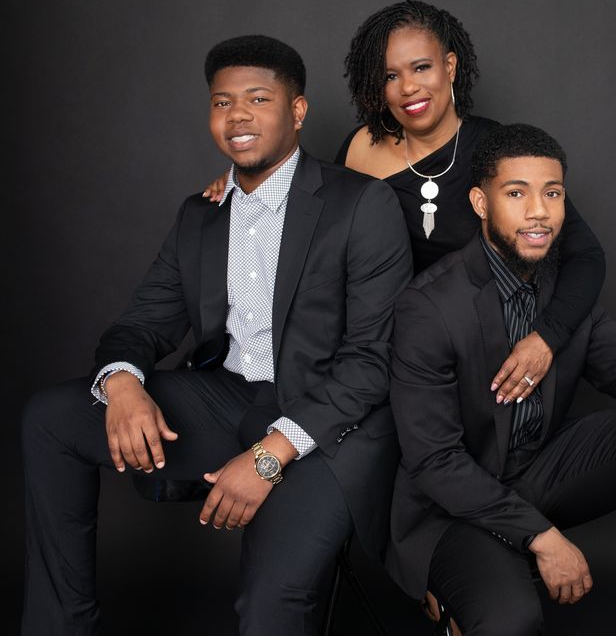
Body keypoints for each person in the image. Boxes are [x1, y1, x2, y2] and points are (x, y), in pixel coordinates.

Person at [21, 34, 412, 636]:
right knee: (51, 417)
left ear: (298, 111)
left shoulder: (361, 204)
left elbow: (370, 362)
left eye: (258, 99)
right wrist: (122, 383)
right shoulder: (201, 214)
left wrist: (268, 456)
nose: (238, 116)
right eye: (223, 102)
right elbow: (142, 322)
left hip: (327, 429)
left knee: (268, 612)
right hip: (227, 398)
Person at [386, 122, 616, 636]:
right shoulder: (429, 307)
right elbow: (434, 461)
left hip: (538, 473)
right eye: (516, 193)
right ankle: (452, 596)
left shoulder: (563, 294)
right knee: (511, 622)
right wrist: (543, 537)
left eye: (552, 193)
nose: (539, 211)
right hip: (452, 510)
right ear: (479, 202)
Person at [203, 0, 606, 409]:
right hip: (382, 355)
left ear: (450, 67)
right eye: (390, 76)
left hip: (481, 350)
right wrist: (244, 180)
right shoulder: (361, 147)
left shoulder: (497, 152)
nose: (407, 88)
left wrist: (546, 338)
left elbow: (586, 255)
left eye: (421, 68)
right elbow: (307, 216)